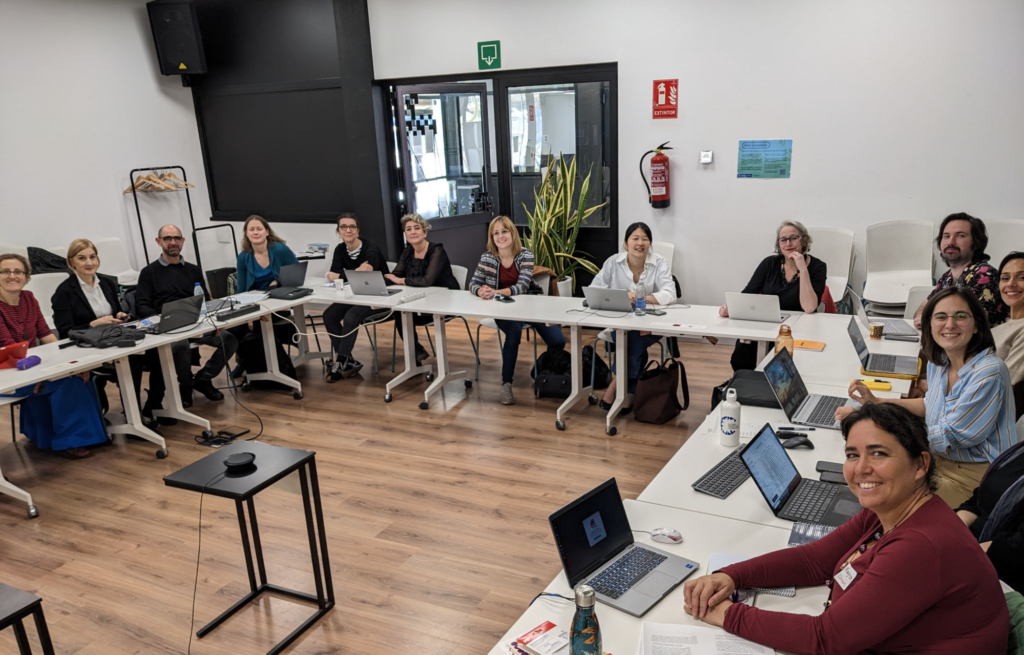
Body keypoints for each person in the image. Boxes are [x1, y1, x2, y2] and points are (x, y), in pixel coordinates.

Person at [683, 403, 1009, 655]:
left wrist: (728, 615)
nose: (861, 468)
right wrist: (732, 575)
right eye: (853, 454)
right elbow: (815, 561)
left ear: (920, 465)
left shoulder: (921, 546)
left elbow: (826, 638)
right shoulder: (891, 510)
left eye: (878, 453)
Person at [837, 287, 1017, 507]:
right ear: (930, 324)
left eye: (960, 316)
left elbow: (949, 436)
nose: (950, 324)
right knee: (867, 482)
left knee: (884, 497)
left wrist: (880, 429)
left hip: (976, 475)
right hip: (939, 460)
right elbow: (929, 405)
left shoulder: (988, 372)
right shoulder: (940, 361)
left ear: (977, 324)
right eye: (941, 317)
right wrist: (876, 404)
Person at [0, 253, 107, 458]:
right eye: (5, 271)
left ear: (26, 276)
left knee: (79, 374)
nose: (12, 276)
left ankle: (87, 436)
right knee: (65, 382)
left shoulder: (29, 298)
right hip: (7, 372)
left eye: (18, 271)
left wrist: (69, 364)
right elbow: (9, 347)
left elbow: (46, 334)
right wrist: (46, 374)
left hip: (29, 365)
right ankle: (72, 440)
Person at [135, 225, 237, 414]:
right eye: (167, 238)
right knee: (180, 346)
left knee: (229, 339)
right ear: (158, 242)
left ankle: (203, 379)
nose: (172, 242)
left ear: (182, 241)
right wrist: (160, 320)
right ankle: (186, 385)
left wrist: (215, 322)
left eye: (176, 238)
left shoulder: (193, 270)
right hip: (169, 328)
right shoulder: (149, 273)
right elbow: (142, 305)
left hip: (196, 323)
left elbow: (205, 299)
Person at [50, 239, 153, 425]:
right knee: (132, 362)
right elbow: (65, 331)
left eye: (92, 257)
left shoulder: (106, 283)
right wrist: (92, 324)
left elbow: (112, 312)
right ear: (71, 262)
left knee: (142, 357)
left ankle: (136, 412)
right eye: (82, 258)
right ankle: (131, 416)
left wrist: (119, 315)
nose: (89, 262)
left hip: (112, 340)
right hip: (86, 347)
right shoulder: (64, 292)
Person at [469, 215, 566, 405]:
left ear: (512, 233)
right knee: (513, 335)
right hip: (502, 308)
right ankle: (506, 384)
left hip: (531, 304)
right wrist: (480, 290)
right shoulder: (487, 257)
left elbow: (522, 286)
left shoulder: (525, 254)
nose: (500, 236)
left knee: (558, 340)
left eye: (504, 231)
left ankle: (541, 368)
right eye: (495, 233)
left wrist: (495, 291)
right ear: (492, 237)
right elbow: (473, 283)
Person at [719, 220, 826, 371]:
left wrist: (802, 268)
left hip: (799, 328)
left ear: (804, 240)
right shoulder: (769, 263)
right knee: (742, 356)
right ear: (779, 243)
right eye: (783, 239)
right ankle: (749, 388)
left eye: (793, 238)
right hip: (768, 324)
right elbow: (748, 295)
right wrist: (730, 308)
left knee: (785, 367)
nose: (788, 243)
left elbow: (809, 307)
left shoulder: (818, 267)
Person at [590, 222, 675, 411]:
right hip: (620, 322)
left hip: (651, 323)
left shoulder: (659, 262)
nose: (640, 243)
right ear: (625, 243)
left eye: (645, 239)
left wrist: (640, 298)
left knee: (632, 340)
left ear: (650, 244)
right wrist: (620, 297)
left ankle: (614, 389)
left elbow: (670, 293)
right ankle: (630, 391)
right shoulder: (613, 262)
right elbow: (595, 289)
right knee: (633, 341)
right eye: (635, 238)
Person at [385, 213, 460, 364]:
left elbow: (427, 280)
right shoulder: (407, 252)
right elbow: (395, 275)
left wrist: (402, 280)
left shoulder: (436, 250)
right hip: (421, 299)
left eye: (417, 228)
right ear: (405, 234)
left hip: (444, 301)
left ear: (424, 232)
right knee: (399, 312)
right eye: (408, 229)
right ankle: (416, 356)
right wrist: (394, 279)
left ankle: (415, 356)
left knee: (403, 314)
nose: (412, 232)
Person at [322, 212, 388, 381]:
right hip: (354, 294)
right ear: (338, 231)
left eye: (352, 226)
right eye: (344, 227)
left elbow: (366, 275)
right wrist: (353, 272)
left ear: (358, 230)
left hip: (378, 296)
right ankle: (348, 360)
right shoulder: (340, 249)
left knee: (351, 316)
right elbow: (331, 274)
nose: (348, 230)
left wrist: (342, 274)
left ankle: (342, 361)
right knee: (329, 315)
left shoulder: (370, 247)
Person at [913, 213, 1006, 330]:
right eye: (946, 236)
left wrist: (929, 319)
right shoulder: (947, 277)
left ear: (976, 243)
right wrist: (923, 317)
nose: (951, 242)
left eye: (961, 236)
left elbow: (969, 324)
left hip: (983, 346)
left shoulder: (984, 274)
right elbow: (920, 310)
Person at [957, 440, 1024, 592]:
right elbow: (979, 501)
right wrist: (954, 528)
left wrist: (964, 552)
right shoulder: (1018, 453)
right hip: (973, 545)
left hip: (1003, 573)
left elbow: (1017, 550)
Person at [235, 214, 300, 293]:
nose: (255, 232)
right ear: (246, 233)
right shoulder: (242, 257)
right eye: (251, 229)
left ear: (267, 232)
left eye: (259, 229)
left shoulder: (281, 249)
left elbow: (297, 275)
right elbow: (241, 288)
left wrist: (279, 283)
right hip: (256, 298)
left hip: (280, 293)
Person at [993, 252, 1024, 415]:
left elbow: (1003, 385)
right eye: (1005, 278)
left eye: (1022, 278)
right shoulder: (997, 329)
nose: (1011, 284)